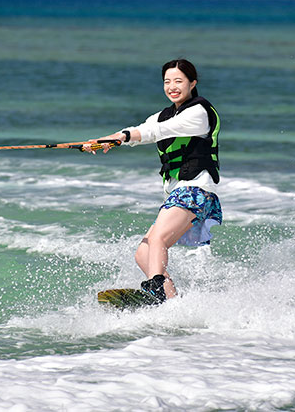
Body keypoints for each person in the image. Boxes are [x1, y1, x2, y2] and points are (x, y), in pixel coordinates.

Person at [84, 59, 222, 302]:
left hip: (196, 189)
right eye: (167, 82)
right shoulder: (162, 115)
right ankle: (172, 302)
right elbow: (138, 130)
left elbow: (154, 133)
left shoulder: (199, 113)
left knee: (157, 239)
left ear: (193, 83)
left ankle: (154, 288)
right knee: (143, 253)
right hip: (178, 192)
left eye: (179, 81)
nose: (172, 87)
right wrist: (102, 140)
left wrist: (122, 137)